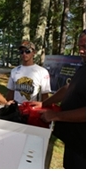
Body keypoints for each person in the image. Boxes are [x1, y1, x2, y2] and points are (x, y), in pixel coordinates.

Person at [30, 29, 86, 169]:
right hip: (73, 141)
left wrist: (56, 116)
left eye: (85, 47)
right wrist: (43, 104)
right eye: (80, 47)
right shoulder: (83, 68)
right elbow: (68, 88)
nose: (81, 51)